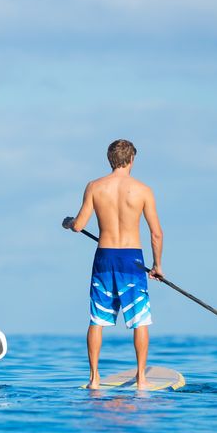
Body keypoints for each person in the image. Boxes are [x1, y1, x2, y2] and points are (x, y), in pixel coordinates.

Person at [64, 139, 163, 389]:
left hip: (105, 257)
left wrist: (69, 223)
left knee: (97, 319)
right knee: (140, 320)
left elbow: (79, 225)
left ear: (110, 159)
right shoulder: (143, 190)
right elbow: (156, 234)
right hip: (132, 260)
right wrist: (157, 266)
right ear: (132, 159)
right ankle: (141, 378)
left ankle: (94, 378)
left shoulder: (95, 187)